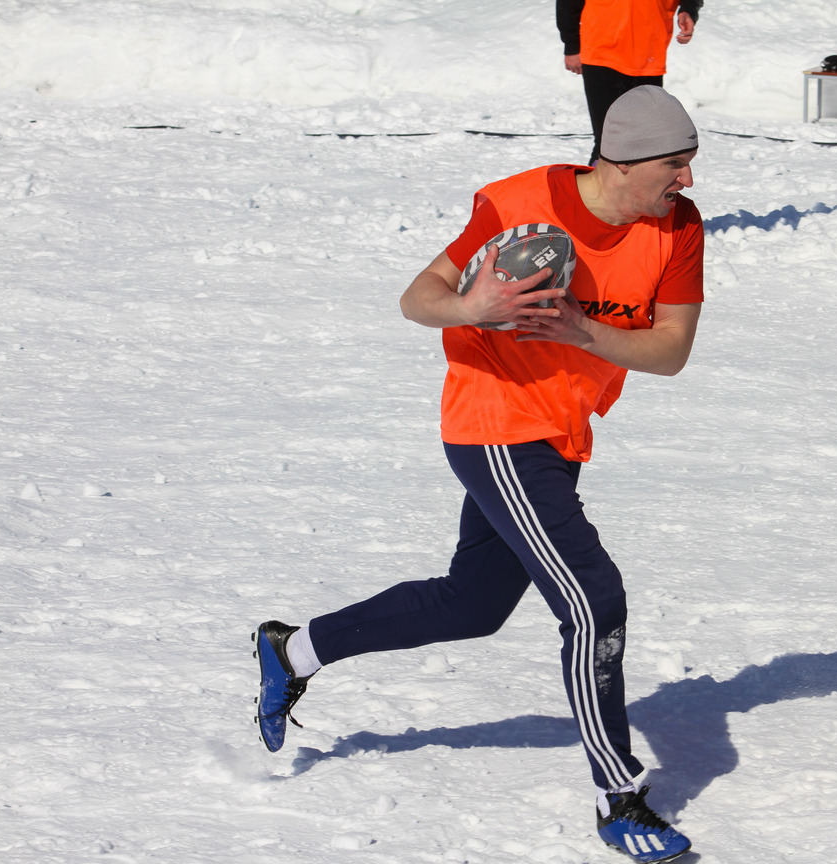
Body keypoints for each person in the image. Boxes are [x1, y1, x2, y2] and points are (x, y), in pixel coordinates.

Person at [254, 85, 703, 864]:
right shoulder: (519, 203)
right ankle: (618, 796)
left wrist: (583, 331)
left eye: (690, 165)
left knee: (474, 604)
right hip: (495, 427)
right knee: (595, 601)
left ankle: (291, 651)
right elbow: (417, 298)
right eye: (674, 165)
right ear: (621, 161)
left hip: (560, 434)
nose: (686, 182)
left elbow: (670, 351)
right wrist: (478, 304)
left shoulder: (678, 230)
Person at [557, 0, 703, 164]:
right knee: (608, 143)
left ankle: (639, 188)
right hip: (601, 53)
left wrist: (688, 10)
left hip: (648, 58)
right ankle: (598, 187)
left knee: (645, 143)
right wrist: (571, 45)